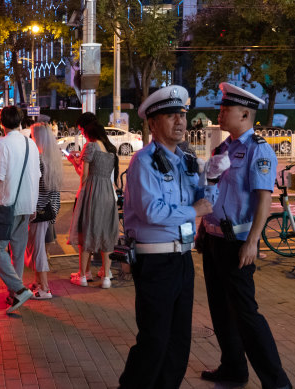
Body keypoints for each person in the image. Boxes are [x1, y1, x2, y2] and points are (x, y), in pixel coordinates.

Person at [119, 85, 217, 388]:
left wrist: (212, 179)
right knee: (154, 340)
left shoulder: (185, 161)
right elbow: (152, 212)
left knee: (178, 342)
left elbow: (206, 200)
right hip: (155, 261)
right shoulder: (143, 162)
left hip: (182, 259)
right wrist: (193, 210)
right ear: (152, 123)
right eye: (172, 116)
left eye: (183, 115)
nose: (180, 122)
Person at [199, 82, 292, 389]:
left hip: (237, 242)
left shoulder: (258, 150)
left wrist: (253, 241)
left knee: (246, 314)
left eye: (226, 109)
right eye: (221, 108)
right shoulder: (222, 149)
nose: (220, 113)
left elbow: (263, 198)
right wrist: (203, 228)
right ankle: (233, 368)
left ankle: (276, 381)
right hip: (213, 239)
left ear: (244, 114)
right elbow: (212, 192)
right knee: (220, 310)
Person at [0, 106, 40, 313]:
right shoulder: (31, 144)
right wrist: (33, 204)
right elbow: (36, 175)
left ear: (1, 123)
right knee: (17, 252)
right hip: (27, 204)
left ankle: (18, 289)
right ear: (20, 121)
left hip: (8, 205)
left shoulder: (3, 144)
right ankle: (14, 295)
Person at [67, 120, 119, 289]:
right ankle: (106, 278)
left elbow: (85, 175)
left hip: (92, 191)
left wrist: (75, 163)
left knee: (87, 230)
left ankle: (82, 276)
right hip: (108, 193)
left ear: (90, 135)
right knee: (106, 233)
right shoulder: (111, 150)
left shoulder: (91, 147)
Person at [26, 123, 62, 299]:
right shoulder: (53, 159)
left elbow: (36, 188)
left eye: (33, 135)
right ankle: (38, 282)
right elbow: (53, 191)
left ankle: (45, 288)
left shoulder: (39, 159)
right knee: (39, 249)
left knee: (38, 250)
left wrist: (33, 209)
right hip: (48, 210)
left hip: (38, 211)